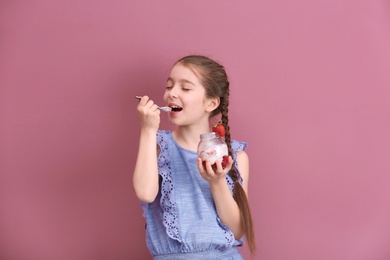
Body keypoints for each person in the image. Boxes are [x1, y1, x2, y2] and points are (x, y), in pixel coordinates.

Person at [133, 55, 256, 259]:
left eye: (185, 88)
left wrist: (216, 182)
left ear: (211, 103)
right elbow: (145, 193)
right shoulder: (158, 145)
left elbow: (236, 231)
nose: (172, 94)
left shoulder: (235, 155)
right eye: (169, 86)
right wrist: (147, 130)